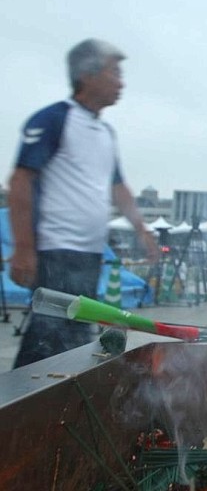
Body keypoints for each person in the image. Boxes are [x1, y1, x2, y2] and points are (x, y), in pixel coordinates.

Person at [9, 39, 158, 368]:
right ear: (87, 75)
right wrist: (23, 248)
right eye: (114, 72)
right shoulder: (53, 120)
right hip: (56, 252)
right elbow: (21, 181)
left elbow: (119, 188)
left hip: (89, 255)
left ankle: (53, 410)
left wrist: (142, 229)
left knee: (73, 338)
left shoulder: (105, 133)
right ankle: (14, 410)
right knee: (47, 337)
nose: (121, 81)